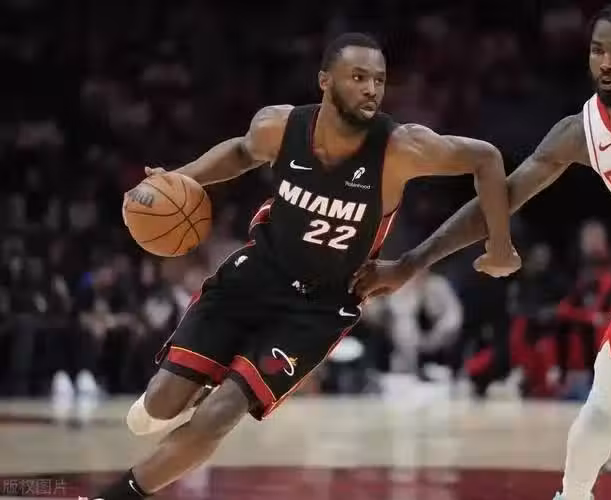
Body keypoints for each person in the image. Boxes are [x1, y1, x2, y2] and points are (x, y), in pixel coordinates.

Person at [79, 32, 520, 500]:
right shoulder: (280, 127)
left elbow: (486, 159)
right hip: (256, 273)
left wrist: (498, 246)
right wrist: (180, 178)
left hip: (320, 305)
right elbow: (242, 151)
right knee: (157, 407)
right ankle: (185, 395)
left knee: (220, 414)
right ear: (325, 81)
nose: (371, 89)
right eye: (358, 77)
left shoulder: (401, 148)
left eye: (379, 80)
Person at [350, 3, 611, 499]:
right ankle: (572, 494)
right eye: (598, 51)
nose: (606, 63)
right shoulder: (582, 131)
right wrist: (412, 262)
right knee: (604, 409)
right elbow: (499, 202)